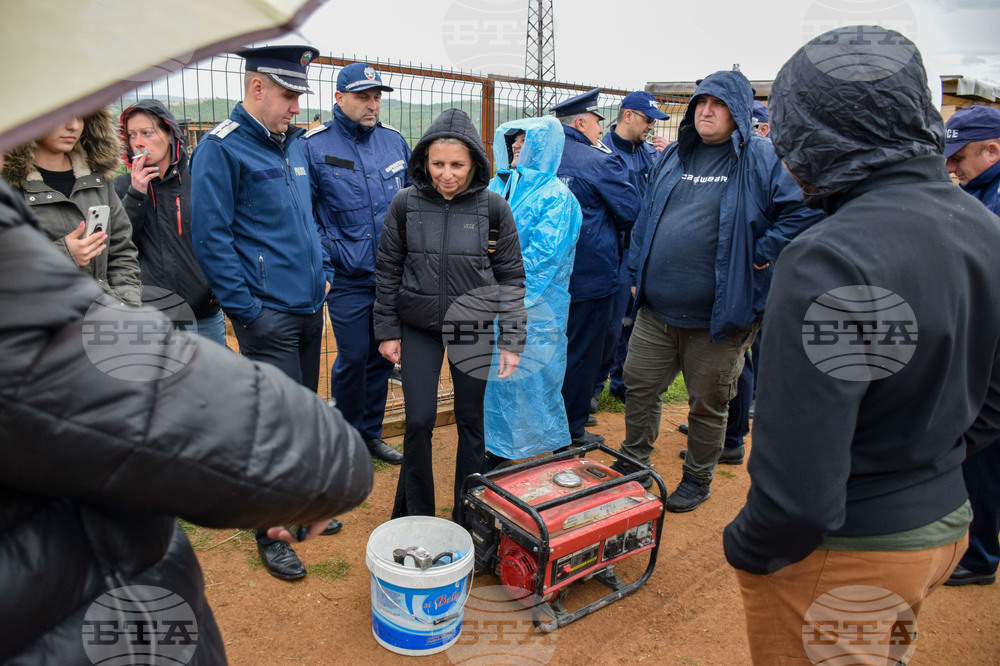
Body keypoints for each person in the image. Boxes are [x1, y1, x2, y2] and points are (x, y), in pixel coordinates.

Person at [0, 175, 373, 663]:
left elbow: (122, 251)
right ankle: (269, 538)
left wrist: (123, 308)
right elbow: (293, 447)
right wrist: (334, 460)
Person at [723, 27, 1000, 664]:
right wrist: (932, 460)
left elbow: (800, 483)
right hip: (941, 521)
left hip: (850, 551)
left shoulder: (828, 258)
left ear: (824, 134)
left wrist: (751, 547)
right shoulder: (982, 226)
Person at [616, 70, 820, 504]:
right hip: (656, 310)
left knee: (708, 402)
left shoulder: (762, 157)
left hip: (720, 316)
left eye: (719, 103)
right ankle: (634, 460)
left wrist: (763, 251)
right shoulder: (674, 155)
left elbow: (806, 210)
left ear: (740, 113)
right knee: (639, 385)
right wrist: (637, 273)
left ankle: (697, 478)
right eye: (701, 102)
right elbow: (645, 219)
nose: (706, 110)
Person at [191, 45, 338, 581]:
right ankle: (269, 531)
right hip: (267, 313)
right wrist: (247, 309)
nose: (297, 105)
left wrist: (322, 267)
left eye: (299, 95)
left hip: (306, 306)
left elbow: (307, 218)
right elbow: (210, 239)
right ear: (257, 89)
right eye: (288, 94)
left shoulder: (291, 146)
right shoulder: (221, 150)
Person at [374, 108, 526, 521]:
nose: (447, 174)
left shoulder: (494, 208)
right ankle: (417, 515)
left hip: (472, 329)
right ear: (424, 160)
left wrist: (512, 340)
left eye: (457, 164)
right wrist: (388, 331)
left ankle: (469, 514)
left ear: (475, 162)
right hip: (418, 327)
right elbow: (387, 270)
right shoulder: (405, 204)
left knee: (470, 421)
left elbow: (511, 277)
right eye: (438, 163)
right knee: (419, 421)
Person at [302, 63, 411, 465]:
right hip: (347, 276)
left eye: (377, 96)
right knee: (352, 356)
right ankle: (344, 441)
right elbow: (307, 212)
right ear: (339, 99)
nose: (372, 104)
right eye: (363, 96)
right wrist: (329, 252)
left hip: (390, 274)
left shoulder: (394, 143)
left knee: (384, 354)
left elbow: (413, 201)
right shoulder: (313, 147)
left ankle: (370, 433)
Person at [484, 116, 583, 465]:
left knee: (533, 383)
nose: (516, 144)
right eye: (514, 137)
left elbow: (540, 264)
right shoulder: (499, 187)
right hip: (497, 306)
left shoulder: (557, 199)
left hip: (536, 310)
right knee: (498, 382)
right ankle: (497, 449)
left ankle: (544, 455)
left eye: (526, 140)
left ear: (543, 147)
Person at [553, 88, 641, 447]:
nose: (598, 129)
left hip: (546, 276)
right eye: (595, 122)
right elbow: (630, 211)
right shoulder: (597, 161)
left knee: (549, 351)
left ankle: (542, 422)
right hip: (589, 276)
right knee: (581, 353)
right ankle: (570, 429)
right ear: (580, 122)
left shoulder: (542, 156)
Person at [941, 105, 1000, 587]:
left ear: (992, 150)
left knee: (982, 451)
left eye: (959, 157)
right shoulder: (979, 191)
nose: (952, 167)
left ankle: (979, 557)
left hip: (992, 346)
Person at [2, 108, 142, 307]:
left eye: (80, 115)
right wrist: (64, 255)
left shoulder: (98, 179)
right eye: (61, 114)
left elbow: (122, 252)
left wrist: (127, 304)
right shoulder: (8, 187)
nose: (73, 126)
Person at [115, 100, 226, 345]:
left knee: (212, 382)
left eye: (147, 133)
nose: (138, 142)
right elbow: (121, 245)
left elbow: (220, 236)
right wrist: (136, 194)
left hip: (202, 316)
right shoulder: (122, 187)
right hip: (150, 319)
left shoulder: (197, 180)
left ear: (170, 134)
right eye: (132, 135)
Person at [595, 90, 669, 408]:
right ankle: (593, 387)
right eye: (648, 119)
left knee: (634, 320)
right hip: (613, 249)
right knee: (609, 322)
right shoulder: (602, 151)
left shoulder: (648, 153)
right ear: (629, 116)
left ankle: (622, 381)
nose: (652, 126)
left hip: (641, 249)